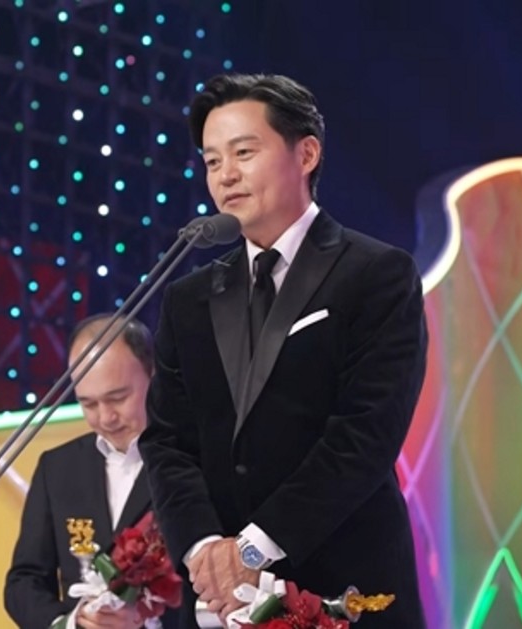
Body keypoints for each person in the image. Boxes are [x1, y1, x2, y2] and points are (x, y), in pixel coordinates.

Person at [138, 73, 428, 628]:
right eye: (212, 161)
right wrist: (204, 551)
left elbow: (365, 433)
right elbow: (168, 441)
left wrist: (253, 548)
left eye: (243, 153)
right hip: (220, 604)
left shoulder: (376, 274)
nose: (225, 175)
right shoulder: (188, 297)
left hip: (343, 588)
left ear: (307, 154)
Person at [5, 314, 178, 629]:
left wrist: (147, 617)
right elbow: (24, 582)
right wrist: (71, 622)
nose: (106, 417)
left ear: (153, 374)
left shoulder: (194, 458)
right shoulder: (57, 468)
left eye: (118, 398)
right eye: (89, 404)